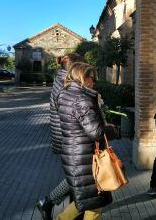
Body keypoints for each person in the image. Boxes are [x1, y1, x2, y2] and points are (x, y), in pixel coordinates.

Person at [56, 62, 120, 220]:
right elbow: (95, 132)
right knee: (94, 205)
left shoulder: (65, 94)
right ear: (83, 78)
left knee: (85, 201)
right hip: (86, 157)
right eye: (92, 78)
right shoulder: (81, 99)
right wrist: (112, 129)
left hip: (74, 154)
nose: (94, 81)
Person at [36, 53, 82, 220]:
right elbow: (72, 112)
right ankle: (48, 202)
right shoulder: (67, 83)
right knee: (77, 177)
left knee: (76, 177)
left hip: (64, 137)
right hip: (68, 138)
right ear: (75, 66)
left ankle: (65, 208)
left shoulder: (62, 80)